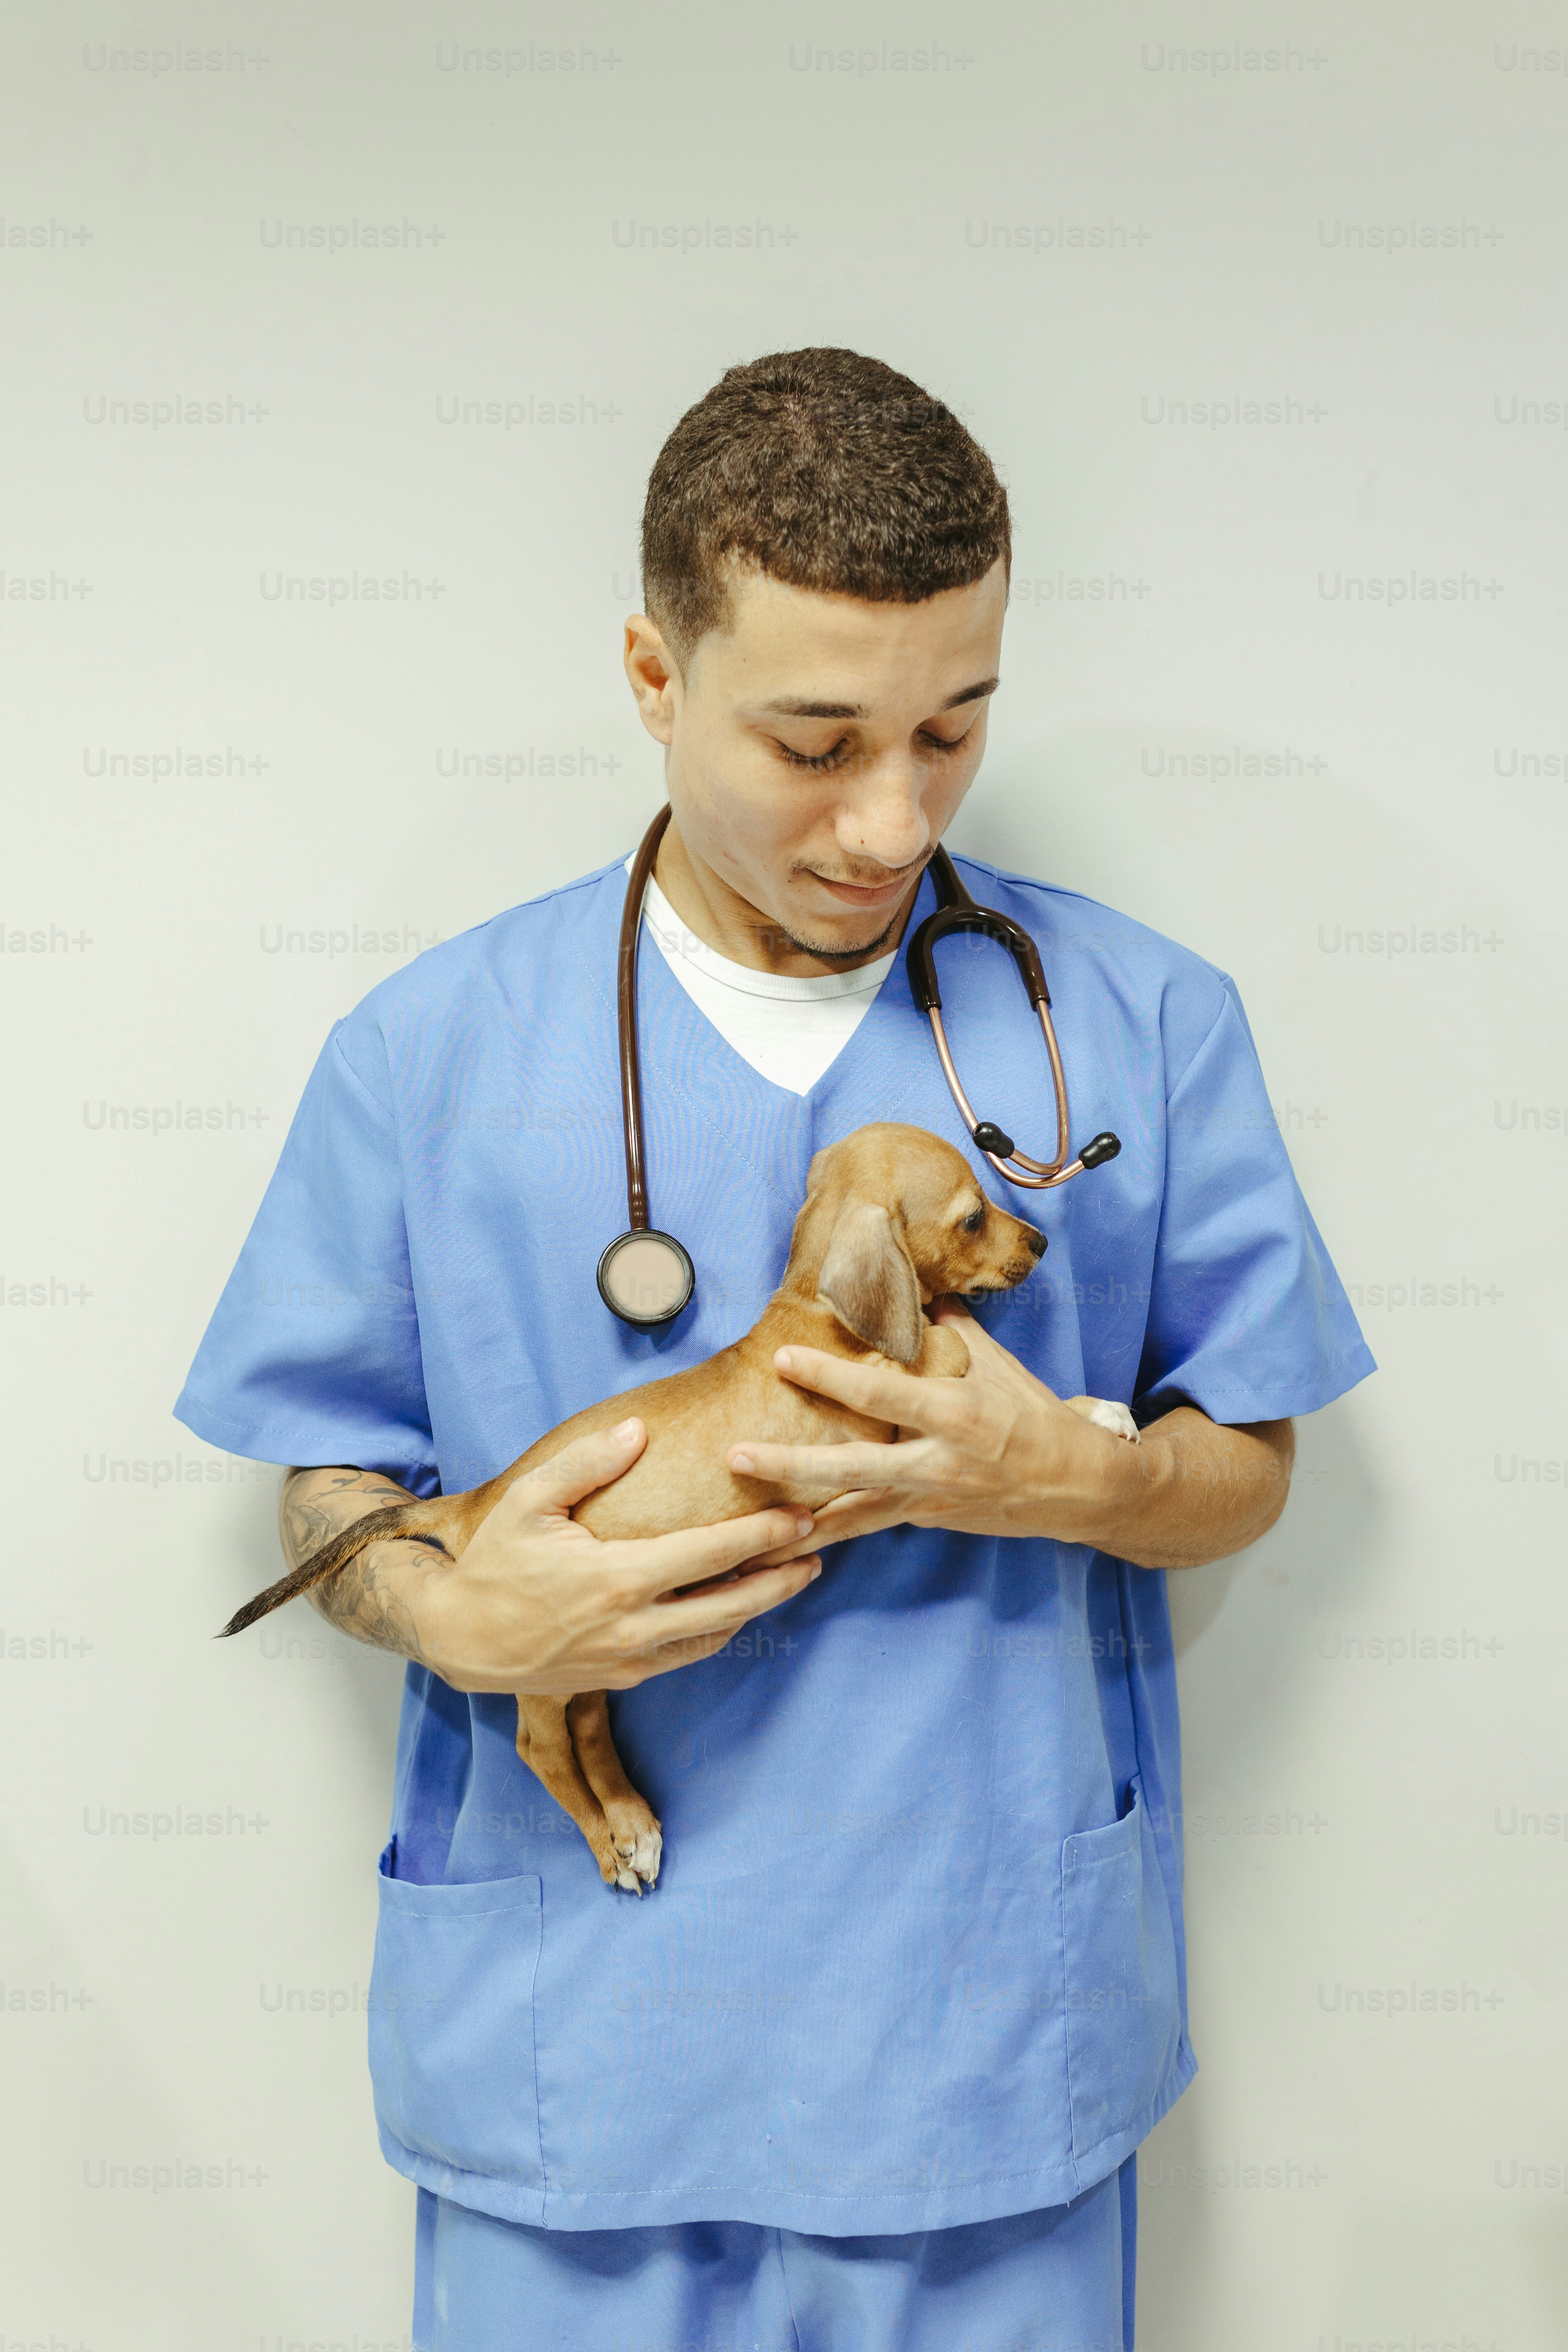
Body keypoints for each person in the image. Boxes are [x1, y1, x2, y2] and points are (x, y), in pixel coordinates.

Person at [176, 348, 1374, 2351]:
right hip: (582, 2068)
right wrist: (457, 1614)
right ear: (655, 676)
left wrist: (1067, 1478)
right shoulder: (432, 1048)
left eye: (955, 727)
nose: (890, 819)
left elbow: (1249, 1459)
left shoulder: (1141, 1023)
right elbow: (325, 1482)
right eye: (815, 740)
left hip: (975, 2060)